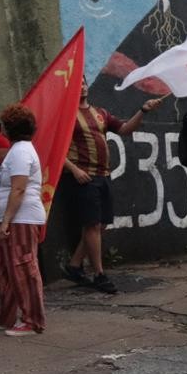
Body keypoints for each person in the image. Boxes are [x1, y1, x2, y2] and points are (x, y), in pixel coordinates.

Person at [60, 77, 165, 294]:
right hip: (83, 176)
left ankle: (74, 265)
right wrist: (74, 169)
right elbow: (56, 148)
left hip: (103, 175)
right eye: (76, 83)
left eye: (84, 82)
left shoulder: (101, 112)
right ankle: (99, 274)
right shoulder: (66, 115)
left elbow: (125, 129)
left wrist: (143, 110)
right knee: (92, 225)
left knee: (101, 225)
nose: (81, 86)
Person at [0, 105, 47, 336]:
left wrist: (5, 222)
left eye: (4, 125)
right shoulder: (17, 151)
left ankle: (33, 320)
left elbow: (18, 189)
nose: (1, 128)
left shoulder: (21, 152)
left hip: (21, 219)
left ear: (11, 128)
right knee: (5, 268)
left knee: (24, 268)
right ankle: (4, 316)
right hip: (12, 219)